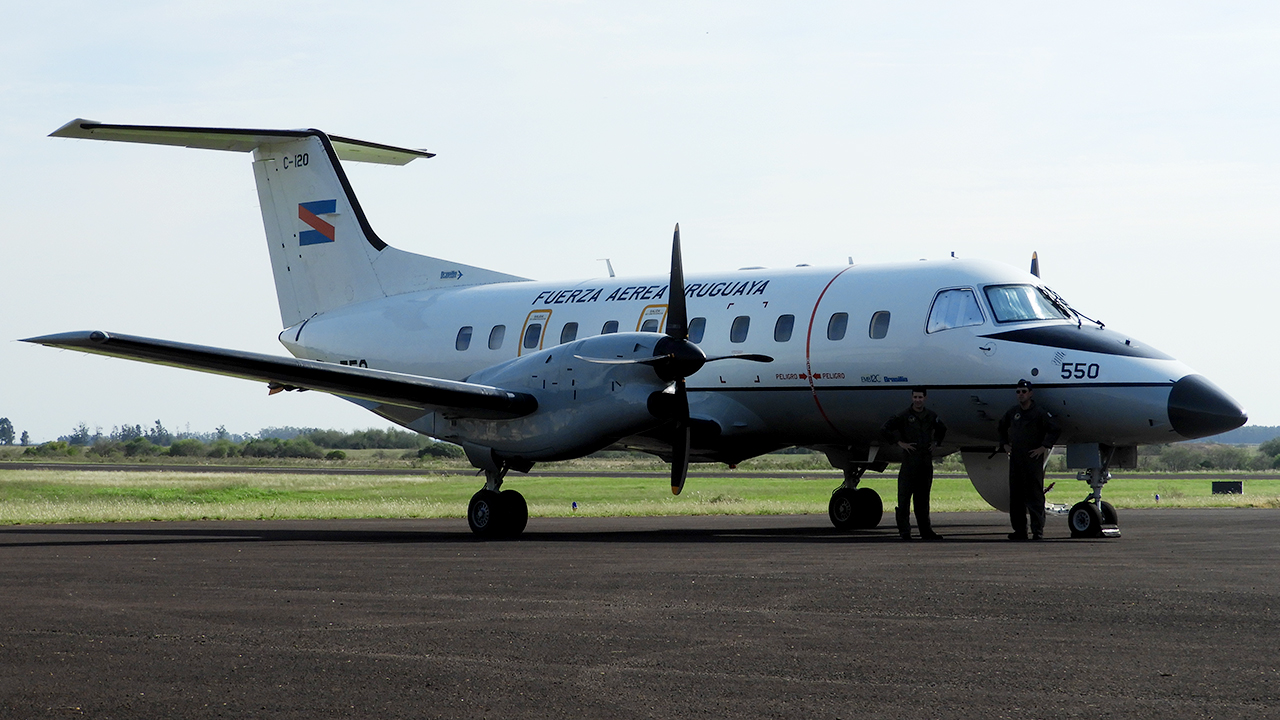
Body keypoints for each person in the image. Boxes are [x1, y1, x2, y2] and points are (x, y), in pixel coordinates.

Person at [997, 379, 1062, 541]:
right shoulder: (1013, 412)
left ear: (1030, 393)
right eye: (1018, 392)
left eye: (1024, 392)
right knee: (1016, 497)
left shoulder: (1039, 413)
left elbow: (1055, 429)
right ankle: (1020, 531)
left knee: (1035, 496)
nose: (1021, 395)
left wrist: (1044, 447)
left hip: (1032, 460)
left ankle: (1037, 530)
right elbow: (1001, 426)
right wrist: (1004, 444)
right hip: (1016, 459)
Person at [880, 387, 947, 541]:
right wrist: (899, 443)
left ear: (925, 398)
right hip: (910, 461)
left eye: (920, 397)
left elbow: (942, 429)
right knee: (904, 499)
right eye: (915, 397)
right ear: (912, 398)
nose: (918, 400)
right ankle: (904, 531)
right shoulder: (904, 416)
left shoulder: (931, 415)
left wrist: (936, 442)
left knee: (923, 499)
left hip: (925, 461)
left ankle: (926, 531)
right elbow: (885, 429)